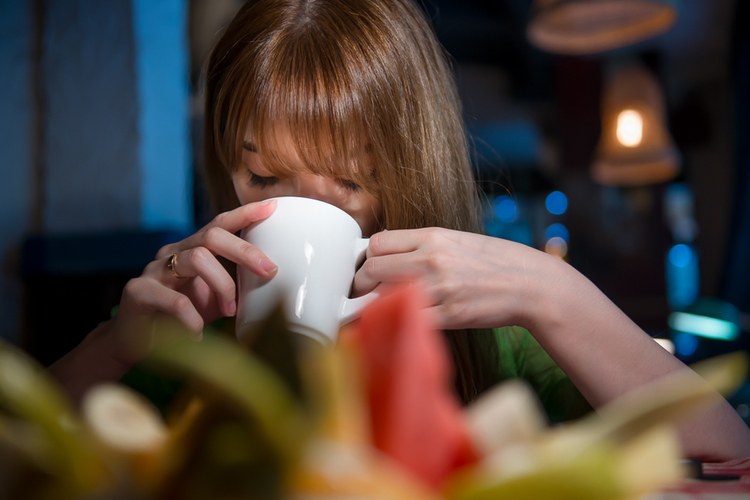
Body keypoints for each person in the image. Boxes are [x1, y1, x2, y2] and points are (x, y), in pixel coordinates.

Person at [49, 0, 750, 461]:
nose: (310, 212)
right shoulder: (190, 323)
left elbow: (725, 449)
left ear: (414, 166)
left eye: (352, 181)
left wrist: (552, 290)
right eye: (262, 179)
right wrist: (114, 347)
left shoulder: (493, 336)